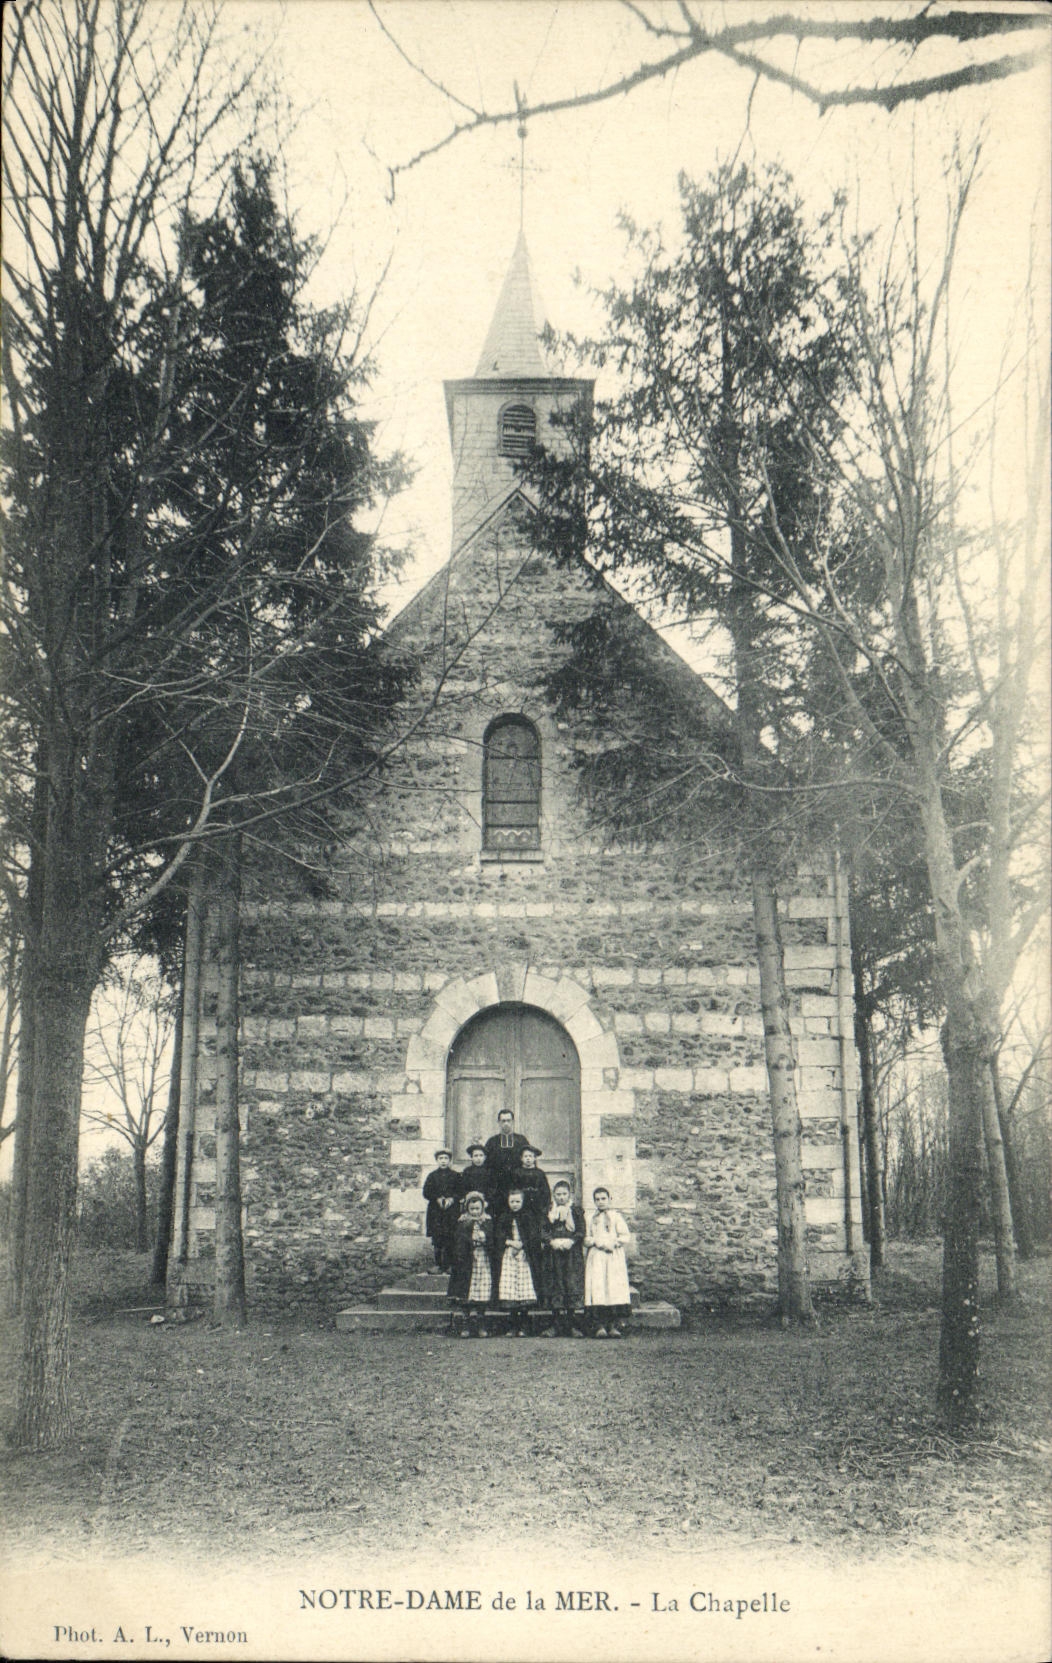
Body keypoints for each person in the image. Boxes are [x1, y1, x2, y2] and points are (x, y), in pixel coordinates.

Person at [584, 1187, 632, 1338]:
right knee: (598, 1288)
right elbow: (586, 1238)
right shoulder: (591, 1218)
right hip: (597, 1256)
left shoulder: (616, 1217)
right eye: (597, 1199)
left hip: (613, 1256)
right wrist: (597, 1243)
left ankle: (613, 1326)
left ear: (609, 1199)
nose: (600, 1202)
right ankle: (599, 1326)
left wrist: (614, 1243)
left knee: (612, 1288)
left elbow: (625, 1236)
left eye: (603, 1198)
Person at [495, 1188, 542, 1336]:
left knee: (523, 1287)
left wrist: (522, 1245)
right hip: (509, 1254)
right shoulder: (504, 1217)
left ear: (523, 1202)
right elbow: (498, 1234)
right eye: (512, 1202)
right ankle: (513, 1324)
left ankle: (524, 1325)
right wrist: (509, 1242)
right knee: (511, 1288)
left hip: (524, 1255)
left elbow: (533, 1235)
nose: (515, 1204)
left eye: (518, 1201)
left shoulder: (528, 1216)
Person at [447, 1192, 495, 1337]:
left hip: (482, 1260)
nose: (475, 1212)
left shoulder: (487, 1222)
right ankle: (466, 1324)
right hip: (467, 1262)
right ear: (467, 1209)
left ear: (482, 1208)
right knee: (466, 1292)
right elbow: (458, 1242)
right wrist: (469, 1243)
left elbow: (492, 1240)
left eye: (477, 1209)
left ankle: (481, 1323)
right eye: (472, 1209)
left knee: (481, 1292)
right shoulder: (463, 1223)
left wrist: (485, 1239)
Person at [542, 1179, 586, 1336]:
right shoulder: (549, 1211)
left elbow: (581, 1231)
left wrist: (571, 1241)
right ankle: (555, 1325)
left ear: (569, 1195)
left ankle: (571, 1325)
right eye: (558, 1194)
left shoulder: (576, 1211)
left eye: (564, 1194)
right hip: (553, 1255)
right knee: (555, 1285)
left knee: (570, 1284)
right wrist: (551, 1241)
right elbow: (543, 1230)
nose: (561, 1197)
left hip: (571, 1255)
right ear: (554, 1195)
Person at [482, 1108, 530, 1206]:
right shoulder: (492, 1142)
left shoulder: (521, 1140)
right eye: (503, 1121)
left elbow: (530, 1161)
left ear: (513, 1122)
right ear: (499, 1122)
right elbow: (486, 1166)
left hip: (517, 1183)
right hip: (497, 1186)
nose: (506, 1123)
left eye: (508, 1120)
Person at [422, 1149, 460, 1271]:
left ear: (450, 1160)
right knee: (437, 1239)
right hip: (436, 1212)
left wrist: (452, 1199)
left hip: (451, 1212)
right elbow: (426, 1192)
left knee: (451, 1237)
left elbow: (461, 1191)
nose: (443, 1161)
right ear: (437, 1160)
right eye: (441, 1158)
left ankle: (449, 1265)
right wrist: (437, 1198)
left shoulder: (456, 1175)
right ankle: (438, 1264)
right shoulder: (432, 1176)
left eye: (446, 1158)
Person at [515, 1144, 551, 1229]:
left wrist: (545, 1207)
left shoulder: (539, 1173)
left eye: (530, 1156)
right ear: (521, 1158)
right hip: (522, 1205)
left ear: (534, 1158)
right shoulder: (517, 1173)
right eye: (525, 1156)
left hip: (537, 1206)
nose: (528, 1158)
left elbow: (545, 1191)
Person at [457, 1142, 498, 1215]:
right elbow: (463, 1187)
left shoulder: (490, 1171)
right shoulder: (467, 1171)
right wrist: (469, 1197)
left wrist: (486, 1200)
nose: (478, 1158)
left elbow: (493, 1187)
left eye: (481, 1155)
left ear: (485, 1157)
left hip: (486, 1203)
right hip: (471, 1203)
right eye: (475, 1156)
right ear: (471, 1157)